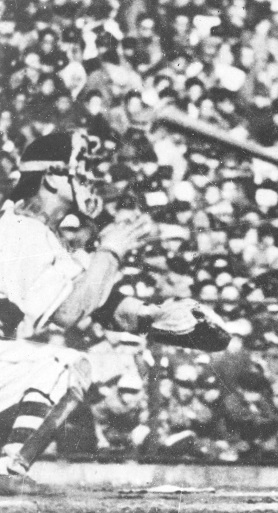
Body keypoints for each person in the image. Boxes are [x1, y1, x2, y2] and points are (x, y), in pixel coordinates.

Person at [0, 130, 223, 495]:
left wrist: (154, 316)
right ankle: (8, 468)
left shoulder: (36, 230)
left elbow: (99, 304)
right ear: (52, 178)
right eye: (80, 170)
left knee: (55, 367)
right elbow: (69, 313)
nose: (89, 179)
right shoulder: (21, 229)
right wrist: (111, 251)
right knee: (65, 365)